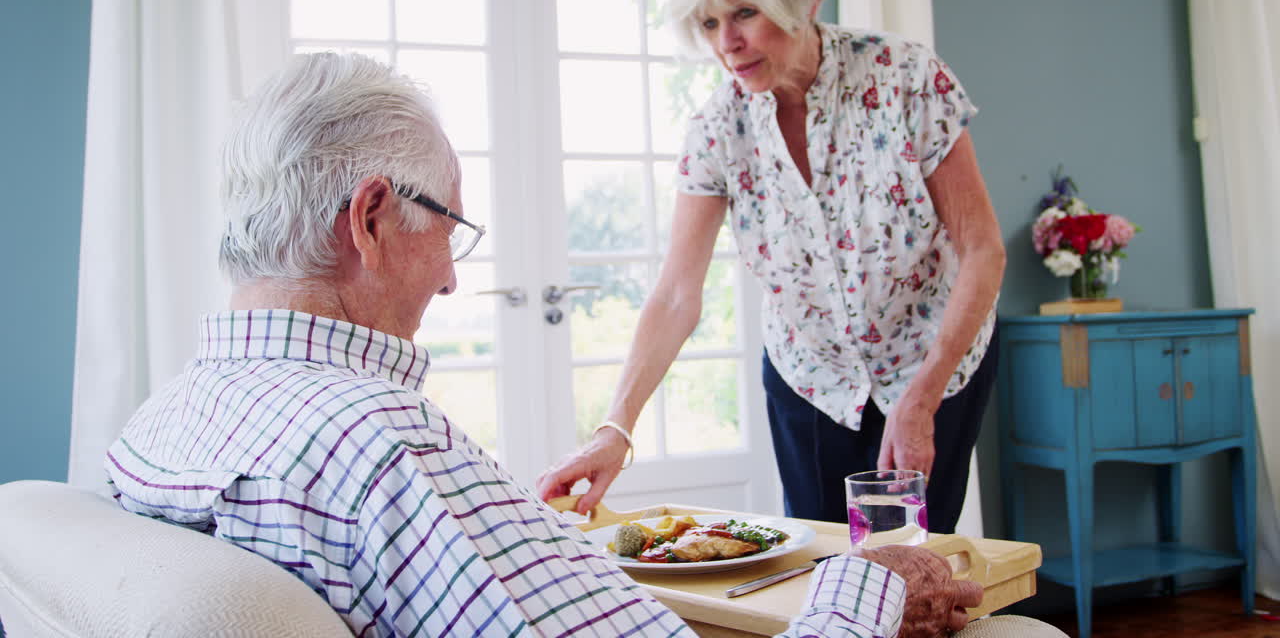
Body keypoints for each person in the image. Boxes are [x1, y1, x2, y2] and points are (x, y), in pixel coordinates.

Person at [104, 52, 996, 638]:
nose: (451, 278)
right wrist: (872, 591)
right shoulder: (383, 446)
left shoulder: (160, 420)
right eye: (448, 224)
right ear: (372, 218)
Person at [537, 0, 1006, 535]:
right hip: (810, 376)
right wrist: (614, 430)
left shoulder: (905, 78)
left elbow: (982, 249)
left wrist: (923, 394)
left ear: (804, 0)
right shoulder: (716, 131)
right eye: (708, 23)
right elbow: (677, 293)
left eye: (745, 13)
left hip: (932, 359)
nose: (726, 42)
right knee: (819, 563)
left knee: (916, 557)